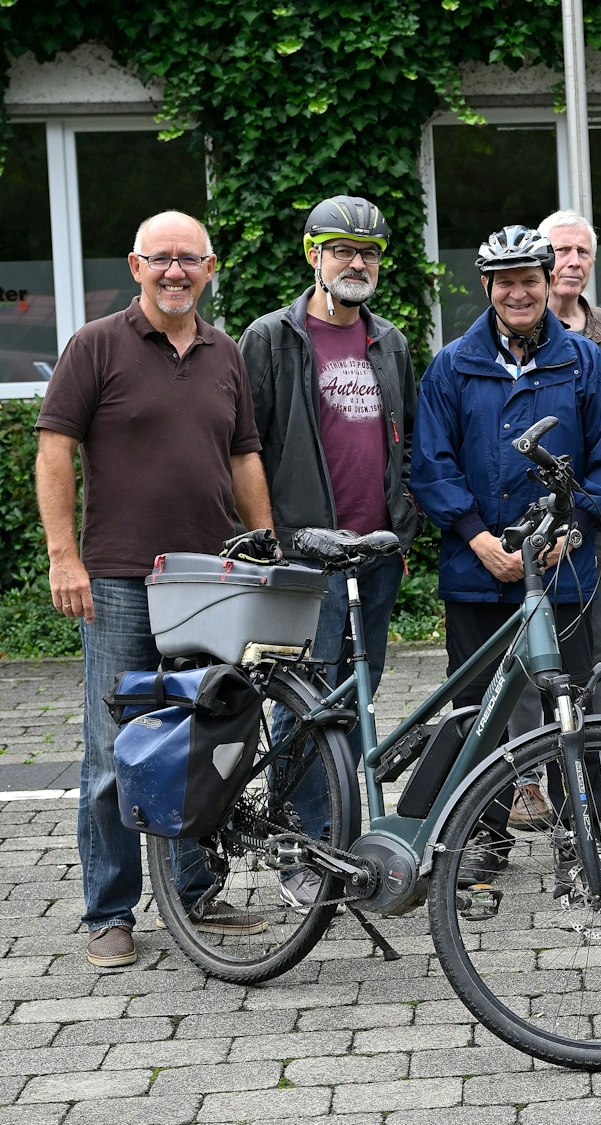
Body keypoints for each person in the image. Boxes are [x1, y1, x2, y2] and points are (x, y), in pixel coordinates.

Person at [37, 211, 275, 968]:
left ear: (211, 268)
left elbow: (243, 458)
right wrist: (62, 555)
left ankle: (196, 891)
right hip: (118, 578)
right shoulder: (96, 345)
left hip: (208, 582)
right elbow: (53, 455)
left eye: (190, 260)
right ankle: (110, 912)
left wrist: (263, 545)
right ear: (137, 264)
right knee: (115, 749)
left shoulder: (223, 352)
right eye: (162, 259)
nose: (176, 272)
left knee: (201, 738)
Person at [411, 224, 601, 870]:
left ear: (546, 284)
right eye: (505, 282)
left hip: (560, 569)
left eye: (529, 281)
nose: (518, 293)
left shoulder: (584, 361)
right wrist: (477, 538)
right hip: (477, 568)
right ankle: (485, 838)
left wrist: (573, 528)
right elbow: (430, 463)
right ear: (487, 287)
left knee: (569, 701)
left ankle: (577, 834)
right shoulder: (452, 366)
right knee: (474, 709)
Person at [511, 209, 601, 827]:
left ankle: (585, 777)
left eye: (581, 252)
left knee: (596, 655)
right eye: (560, 251)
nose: (572, 261)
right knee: (529, 655)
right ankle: (524, 784)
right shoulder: (516, 331)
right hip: (535, 528)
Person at [240, 195, 419, 693]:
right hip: (305, 554)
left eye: (370, 253)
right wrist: (268, 540)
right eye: (342, 250)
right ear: (312, 255)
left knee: (363, 687)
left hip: (377, 551)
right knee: (304, 695)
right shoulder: (270, 337)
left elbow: (408, 434)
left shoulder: (391, 341)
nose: (358, 263)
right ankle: (301, 777)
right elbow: (241, 446)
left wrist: (405, 508)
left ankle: (353, 775)